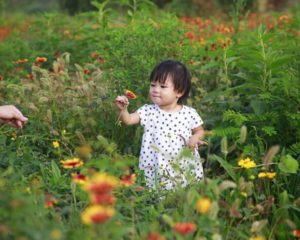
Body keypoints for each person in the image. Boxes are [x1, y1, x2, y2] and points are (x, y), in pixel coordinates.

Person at [115, 60, 205, 190]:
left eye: (163, 87)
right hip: (155, 164)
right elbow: (128, 120)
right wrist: (122, 110)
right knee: (157, 194)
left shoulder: (189, 113)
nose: (156, 90)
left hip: (182, 163)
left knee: (184, 191)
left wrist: (195, 138)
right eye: (153, 85)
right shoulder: (148, 111)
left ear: (179, 92)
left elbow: (199, 131)